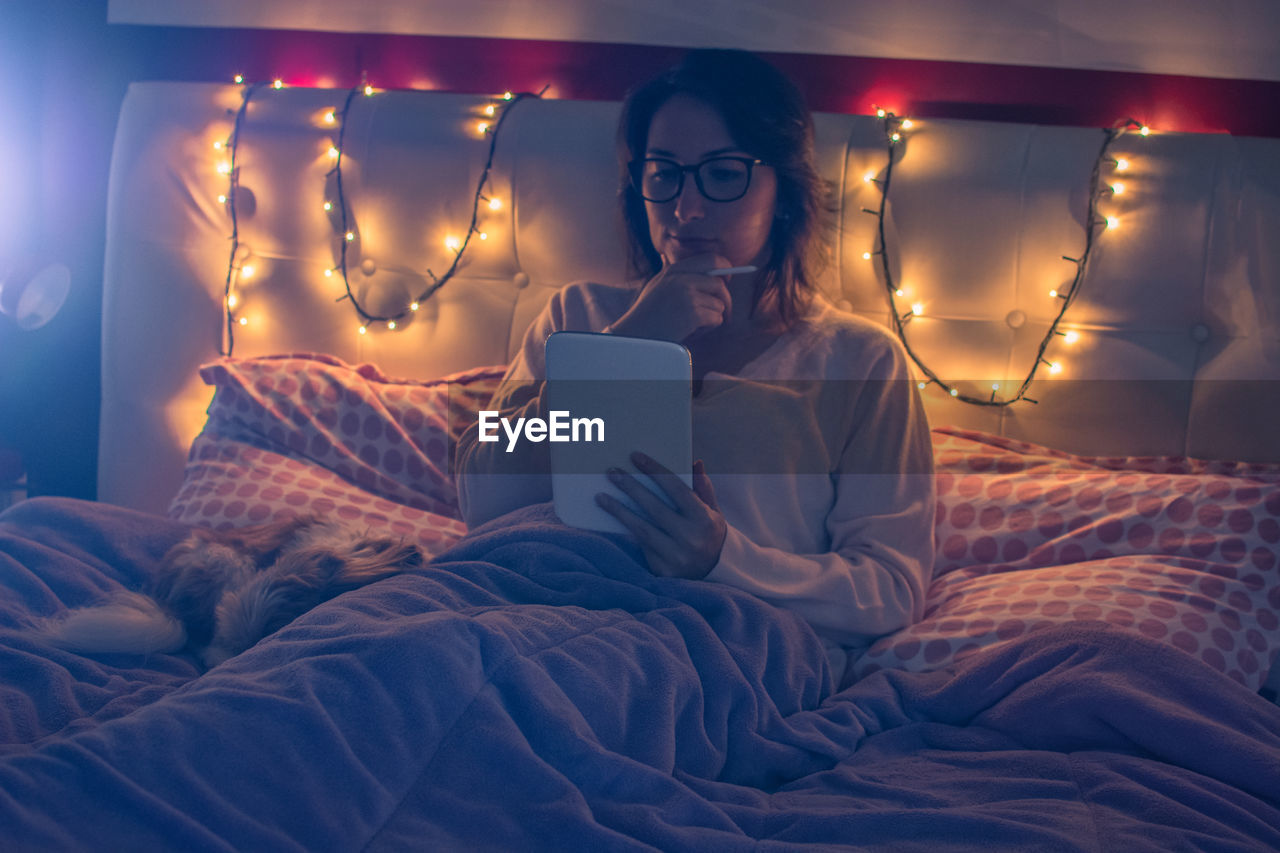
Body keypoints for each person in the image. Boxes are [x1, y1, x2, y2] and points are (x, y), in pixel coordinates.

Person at [456, 49, 935, 684]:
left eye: (723, 174)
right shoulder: (581, 315)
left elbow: (890, 588)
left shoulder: (859, 361)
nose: (686, 209)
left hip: (722, 650)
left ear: (784, 189)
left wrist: (722, 558)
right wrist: (630, 346)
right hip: (541, 615)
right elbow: (481, 497)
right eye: (665, 174)